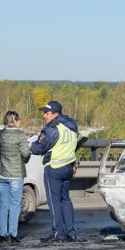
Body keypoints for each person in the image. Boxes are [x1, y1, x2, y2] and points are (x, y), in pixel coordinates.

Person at [30, 100, 80, 242]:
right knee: (66, 200)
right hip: (68, 167)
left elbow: (37, 148)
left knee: (54, 202)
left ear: (55, 114)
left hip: (54, 168)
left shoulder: (52, 129)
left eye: (47, 113)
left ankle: (58, 233)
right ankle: (71, 232)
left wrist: (31, 144)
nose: (44, 116)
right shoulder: (72, 125)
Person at [0, 110, 31, 244]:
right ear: (14, 120)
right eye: (19, 119)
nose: (20, 121)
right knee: (15, 204)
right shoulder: (20, 135)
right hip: (16, 174)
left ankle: (1, 234)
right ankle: (12, 233)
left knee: (3, 204)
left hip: (2, 173)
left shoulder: (0, 134)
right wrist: (24, 160)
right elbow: (26, 153)